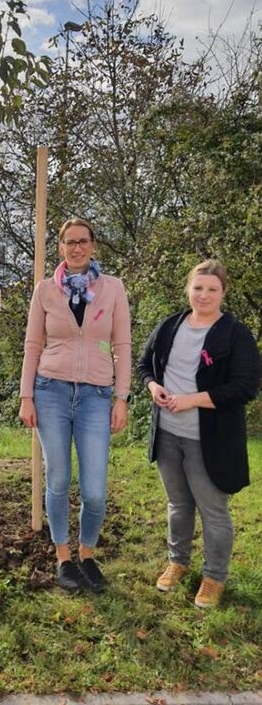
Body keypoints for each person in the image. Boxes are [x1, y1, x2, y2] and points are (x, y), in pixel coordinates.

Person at [136, 259, 260, 608]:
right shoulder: (170, 325)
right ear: (188, 289)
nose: (204, 295)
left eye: (212, 289)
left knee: (213, 511)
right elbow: (144, 365)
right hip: (167, 434)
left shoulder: (235, 334)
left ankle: (214, 577)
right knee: (177, 504)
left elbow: (245, 387)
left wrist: (193, 400)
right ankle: (177, 562)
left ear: (223, 292)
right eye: (198, 287)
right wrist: (153, 386)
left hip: (210, 441)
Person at [19, 217, 131, 593]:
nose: (77, 247)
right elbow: (33, 344)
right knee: (59, 478)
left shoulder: (112, 288)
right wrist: (26, 396)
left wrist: (121, 397)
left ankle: (87, 553)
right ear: (61, 247)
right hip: (50, 391)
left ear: (93, 245)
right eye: (70, 242)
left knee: (95, 489)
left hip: (96, 396)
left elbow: (122, 345)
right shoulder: (45, 290)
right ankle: (63, 557)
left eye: (83, 241)